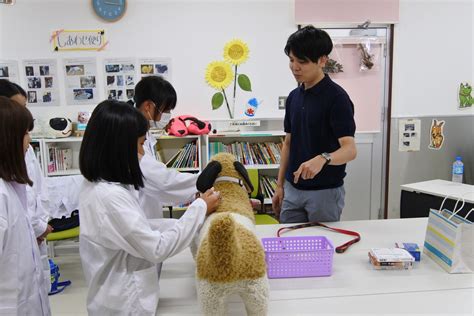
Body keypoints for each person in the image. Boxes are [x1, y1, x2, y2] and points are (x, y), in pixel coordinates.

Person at [78, 100, 220, 315]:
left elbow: (138, 229)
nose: (143, 153)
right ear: (119, 147)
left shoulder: (101, 185)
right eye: (140, 144)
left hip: (117, 295)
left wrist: (183, 222)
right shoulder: (110, 198)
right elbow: (156, 248)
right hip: (125, 304)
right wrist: (199, 208)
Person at [272, 26, 357, 223]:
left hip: (325, 193)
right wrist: (279, 185)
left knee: (321, 249)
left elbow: (350, 150)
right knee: (289, 246)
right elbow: (288, 143)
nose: (295, 67)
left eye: (302, 62)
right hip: (293, 191)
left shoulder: (337, 98)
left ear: (322, 60)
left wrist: (323, 158)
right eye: (291, 60)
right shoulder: (293, 97)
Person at [0, 79, 53, 293]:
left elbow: (38, 190)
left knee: (37, 288)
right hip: (22, 239)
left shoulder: (25, 148)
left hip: (33, 236)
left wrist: (42, 224)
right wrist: (36, 227)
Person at [133, 76, 199, 219]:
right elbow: (161, 181)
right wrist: (202, 180)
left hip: (147, 208)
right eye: (166, 109)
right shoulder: (130, 133)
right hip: (137, 212)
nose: (168, 114)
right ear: (148, 106)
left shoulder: (145, 131)